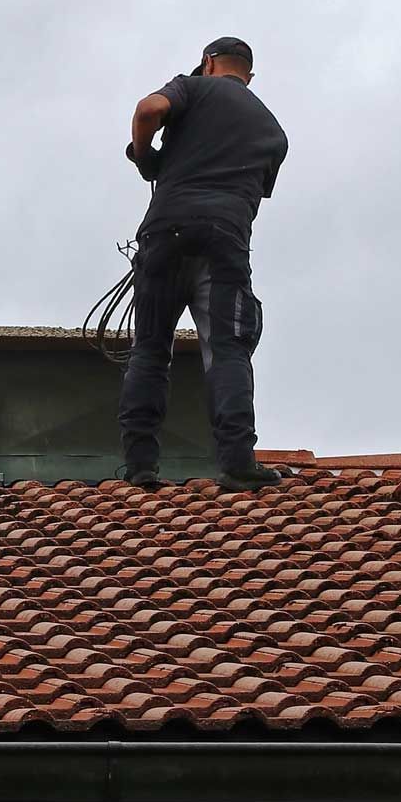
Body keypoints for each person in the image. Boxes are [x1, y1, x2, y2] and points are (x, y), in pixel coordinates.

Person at [118, 36, 289, 490]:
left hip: (165, 234)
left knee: (151, 350)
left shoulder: (192, 88)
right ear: (248, 75)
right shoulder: (274, 132)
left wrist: (145, 157)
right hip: (225, 242)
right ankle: (237, 462)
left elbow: (147, 110)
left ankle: (140, 466)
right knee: (227, 348)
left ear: (208, 63)